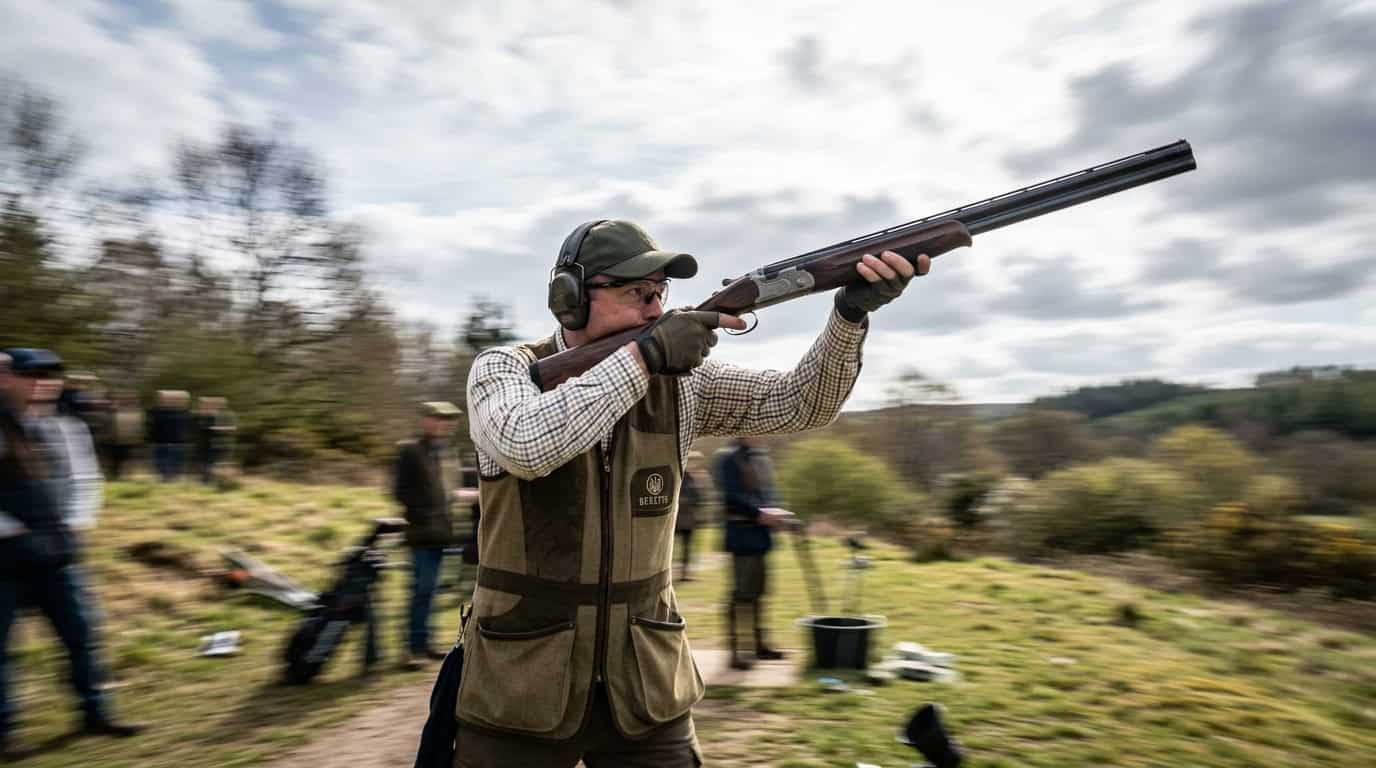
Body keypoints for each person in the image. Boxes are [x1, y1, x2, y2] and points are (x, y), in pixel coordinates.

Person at [459, 218, 926, 766]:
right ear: (570, 299)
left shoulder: (683, 385)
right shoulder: (505, 370)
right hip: (520, 683)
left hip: (645, 683)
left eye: (660, 294)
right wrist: (644, 359)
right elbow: (527, 444)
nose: (656, 311)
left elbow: (801, 404)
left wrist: (849, 316)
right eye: (637, 293)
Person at [0, 349, 142, 759]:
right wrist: (13, 530)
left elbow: (86, 480)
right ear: (9, 379)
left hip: (57, 555)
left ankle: (95, 714)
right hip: (5, 559)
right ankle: (5, 732)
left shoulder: (68, 427)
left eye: (51, 374)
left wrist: (74, 524)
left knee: (82, 635)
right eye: (32, 374)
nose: (44, 381)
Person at [393, 401, 463, 669]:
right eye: (437, 419)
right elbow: (399, 492)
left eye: (447, 420)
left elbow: (450, 492)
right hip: (421, 534)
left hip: (442, 535)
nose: (442, 424)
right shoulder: (409, 451)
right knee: (419, 591)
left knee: (431, 592)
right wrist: (424, 513)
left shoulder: (448, 454)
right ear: (426, 420)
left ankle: (426, 644)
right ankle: (411, 651)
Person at [718, 436, 794, 670]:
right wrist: (759, 513)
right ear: (744, 433)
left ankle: (759, 646)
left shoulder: (761, 459)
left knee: (760, 593)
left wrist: (779, 514)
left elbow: (768, 493)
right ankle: (735, 652)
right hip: (742, 536)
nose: (763, 435)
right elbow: (731, 497)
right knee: (741, 594)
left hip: (761, 537)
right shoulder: (728, 458)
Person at [675, 450, 706, 581]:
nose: (694, 464)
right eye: (692, 461)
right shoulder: (681, 477)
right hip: (679, 520)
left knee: (687, 549)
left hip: (691, 520)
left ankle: (685, 574)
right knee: (673, 548)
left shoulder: (697, 478)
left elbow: (700, 498)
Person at [147, 390, 189, 481]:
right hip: (161, 443)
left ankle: (169, 482)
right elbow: (151, 426)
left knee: (173, 467)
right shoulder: (156, 412)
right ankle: (167, 481)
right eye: (163, 399)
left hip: (176, 443)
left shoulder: (182, 413)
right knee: (163, 467)